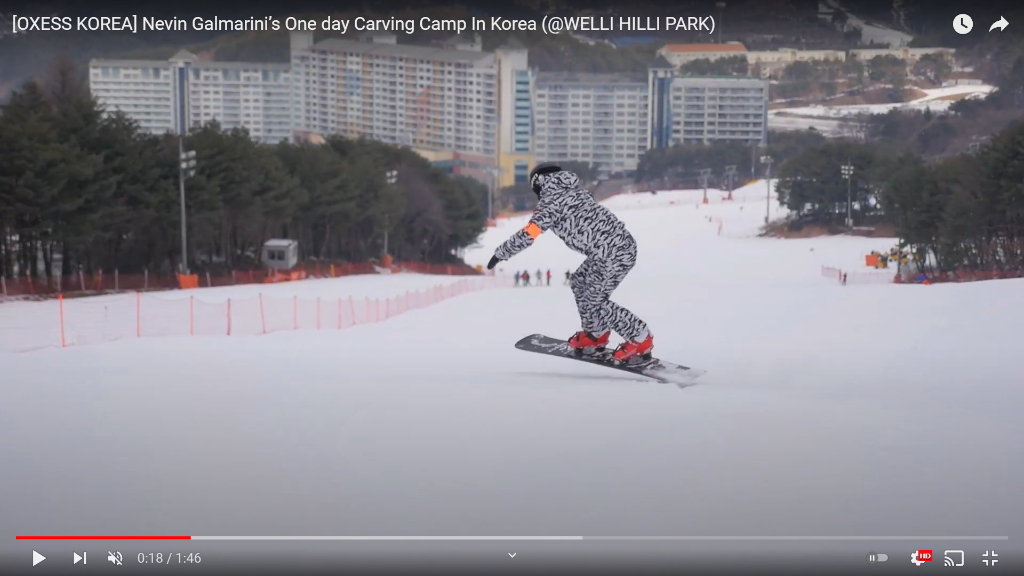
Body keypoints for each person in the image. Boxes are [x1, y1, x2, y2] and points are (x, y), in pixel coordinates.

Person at [487, 163, 652, 363]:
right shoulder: (578, 193)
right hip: (610, 250)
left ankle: (640, 337)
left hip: (613, 253)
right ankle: (596, 333)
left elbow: (529, 234)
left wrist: (501, 253)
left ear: (539, 182)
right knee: (580, 281)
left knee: (595, 301)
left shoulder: (551, 205)